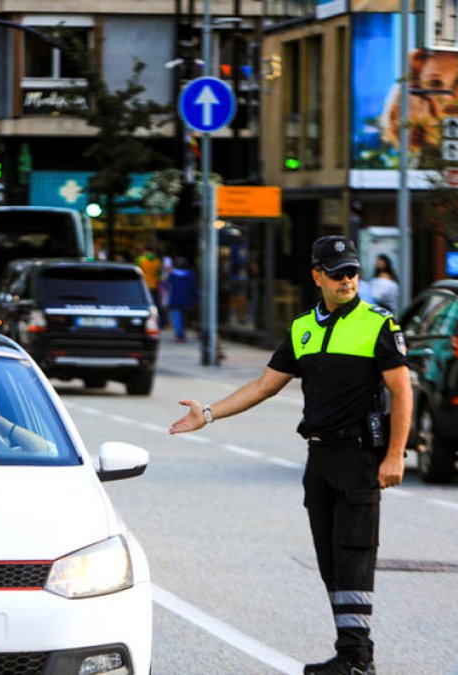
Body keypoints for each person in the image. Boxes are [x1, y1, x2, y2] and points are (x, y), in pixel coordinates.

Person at [168, 236, 411, 675]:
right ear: (317, 276)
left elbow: (402, 390)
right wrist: (208, 413)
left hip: (358, 457)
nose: (348, 279)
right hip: (319, 458)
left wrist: (395, 455)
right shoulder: (302, 328)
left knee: (354, 554)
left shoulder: (378, 324)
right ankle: (352, 654)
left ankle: (356, 659)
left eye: (353, 271)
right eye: (338, 273)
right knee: (330, 560)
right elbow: (264, 386)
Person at [166, 257, 196, 343]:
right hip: (187, 299)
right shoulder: (190, 274)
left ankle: (179, 335)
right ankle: (181, 334)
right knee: (184, 317)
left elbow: (167, 284)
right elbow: (193, 287)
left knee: (177, 317)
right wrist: (195, 299)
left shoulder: (173, 274)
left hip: (175, 299)